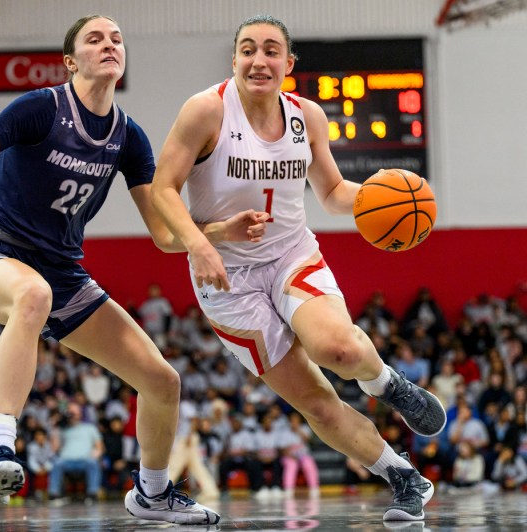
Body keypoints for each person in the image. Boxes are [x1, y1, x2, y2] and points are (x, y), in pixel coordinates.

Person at [0, 14, 267, 525]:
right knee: (32, 295)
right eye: (95, 39)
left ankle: (152, 494)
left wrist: (218, 232)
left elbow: (163, 235)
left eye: (116, 39)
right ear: (71, 61)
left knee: (162, 381)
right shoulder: (39, 107)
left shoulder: (128, 137)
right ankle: (0, 444)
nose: (109, 44)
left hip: (63, 273)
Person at [150, 15, 447, 522]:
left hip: (292, 254)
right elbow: (162, 190)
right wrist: (202, 242)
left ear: (288, 64)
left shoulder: (306, 116)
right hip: (228, 281)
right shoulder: (205, 111)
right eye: (247, 49)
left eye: (270, 50)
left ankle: (387, 384)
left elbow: (331, 194)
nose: (258, 59)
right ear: (235, 59)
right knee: (313, 398)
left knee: (338, 347)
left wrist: (384, 196)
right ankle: (404, 477)